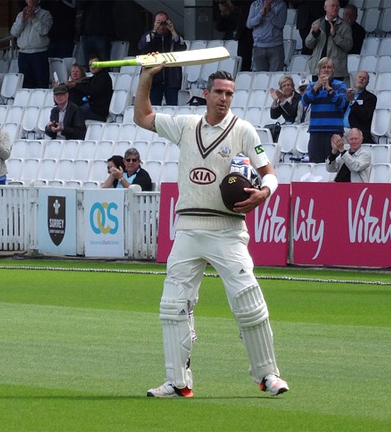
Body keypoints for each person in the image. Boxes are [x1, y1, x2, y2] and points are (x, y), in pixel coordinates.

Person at [134, 67, 288, 399]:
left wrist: (265, 192)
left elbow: (268, 173)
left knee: (249, 300)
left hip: (227, 229)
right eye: (219, 92)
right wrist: (147, 75)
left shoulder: (244, 130)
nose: (224, 98)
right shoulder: (186, 126)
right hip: (188, 227)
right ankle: (177, 381)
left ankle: (267, 375)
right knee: (173, 305)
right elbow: (142, 116)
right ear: (206, 93)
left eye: (229, 93)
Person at [301, 57, 347, 163]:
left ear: (333, 70)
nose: (326, 70)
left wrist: (329, 89)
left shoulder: (340, 85)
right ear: (319, 70)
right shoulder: (312, 86)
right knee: (315, 162)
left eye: (329, 67)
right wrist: (316, 87)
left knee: (333, 163)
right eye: (323, 67)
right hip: (316, 131)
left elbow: (342, 103)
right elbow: (304, 102)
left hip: (334, 131)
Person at [137, 11, 187, 105]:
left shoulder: (173, 36)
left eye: (163, 23)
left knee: (172, 108)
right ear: (154, 23)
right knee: (154, 108)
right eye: (158, 22)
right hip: (154, 79)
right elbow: (142, 47)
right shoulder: (149, 36)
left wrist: (172, 30)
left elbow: (182, 47)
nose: (161, 26)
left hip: (171, 78)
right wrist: (154, 31)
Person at [304, 0, 352, 82]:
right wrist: (314, 34)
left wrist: (335, 35)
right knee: (318, 93)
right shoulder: (317, 23)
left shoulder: (345, 26)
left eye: (337, 6)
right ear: (325, 7)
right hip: (318, 69)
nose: (335, 8)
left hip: (336, 71)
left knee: (334, 93)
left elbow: (348, 46)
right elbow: (308, 44)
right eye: (332, 5)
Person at [10, 0, 52, 89]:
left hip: (39, 53)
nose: (30, 1)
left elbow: (44, 31)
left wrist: (34, 18)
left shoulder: (45, 14)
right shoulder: (21, 15)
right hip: (23, 54)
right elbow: (14, 32)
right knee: (25, 85)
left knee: (41, 83)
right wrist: (22, 21)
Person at [245, 0, 287, 72]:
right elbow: (249, 24)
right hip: (258, 46)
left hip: (275, 47)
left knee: (276, 77)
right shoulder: (255, 4)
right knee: (260, 78)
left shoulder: (281, 5)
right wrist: (261, 15)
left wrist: (269, 12)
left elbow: (280, 24)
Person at [69, 56, 113, 122]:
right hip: (90, 108)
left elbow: (93, 91)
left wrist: (76, 85)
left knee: (73, 112)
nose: (92, 67)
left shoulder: (104, 78)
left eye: (95, 64)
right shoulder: (94, 78)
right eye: (90, 65)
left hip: (98, 112)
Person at [345, 70, 377, 143]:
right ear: (355, 79)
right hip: (341, 129)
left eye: (364, 78)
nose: (361, 79)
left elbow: (364, 116)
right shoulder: (347, 94)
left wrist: (353, 101)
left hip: (356, 130)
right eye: (360, 77)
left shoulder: (370, 98)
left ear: (367, 83)